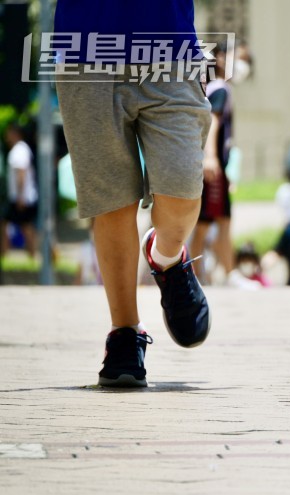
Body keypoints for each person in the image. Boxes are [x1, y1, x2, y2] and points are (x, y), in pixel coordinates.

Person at [54, 0, 212, 387]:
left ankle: (166, 256)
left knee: (182, 191)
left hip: (170, 51)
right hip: (85, 52)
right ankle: (125, 333)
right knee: (111, 202)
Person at [189, 45, 235, 284]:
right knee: (204, 224)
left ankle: (229, 273)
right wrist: (211, 157)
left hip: (219, 169)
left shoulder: (214, 88)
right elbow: (214, 123)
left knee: (224, 220)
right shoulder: (219, 90)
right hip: (213, 168)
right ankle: (195, 276)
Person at [3, 124, 39, 259]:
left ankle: (31, 254)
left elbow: (21, 173)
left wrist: (20, 196)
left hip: (22, 197)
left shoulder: (19, 150)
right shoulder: (21, 149)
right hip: (21, 196)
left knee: (26, 227)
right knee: (25, 226)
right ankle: (30, 254)